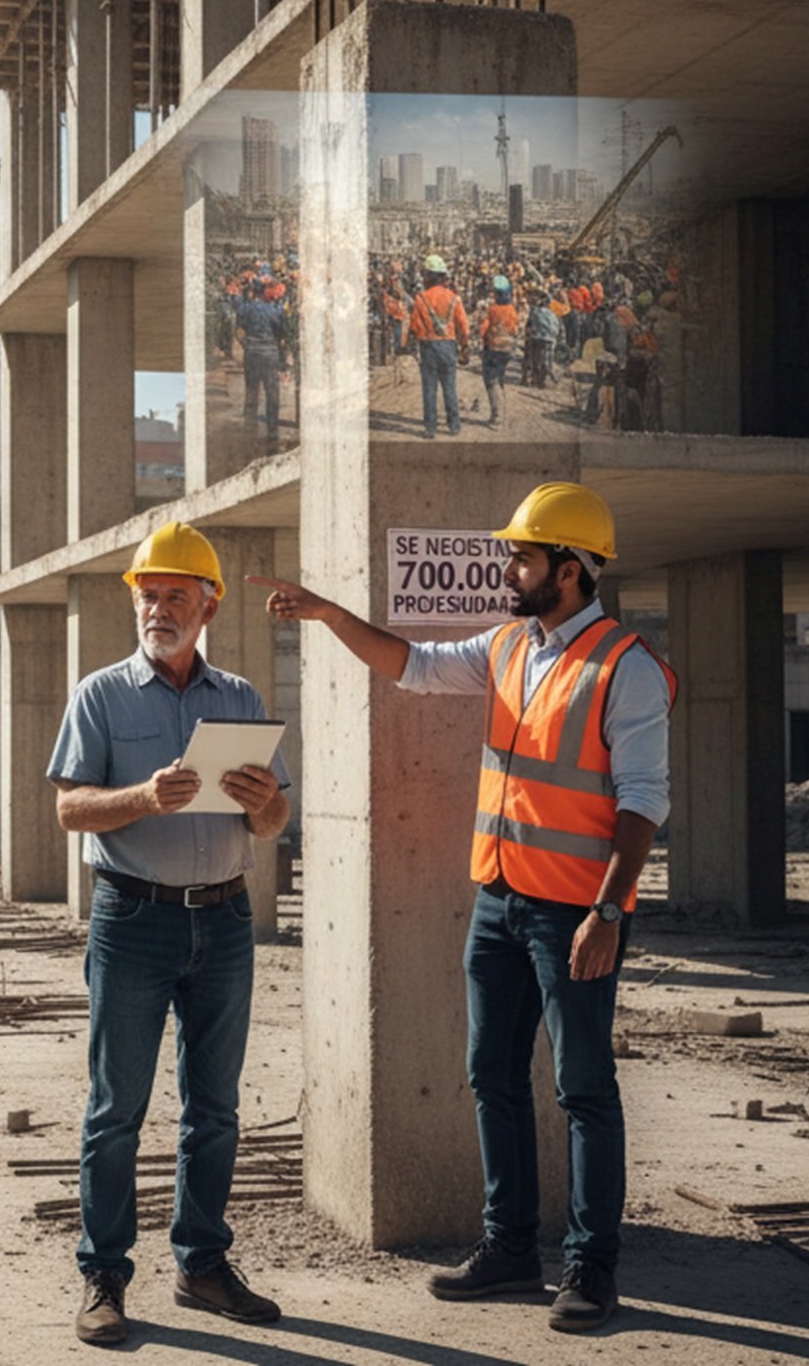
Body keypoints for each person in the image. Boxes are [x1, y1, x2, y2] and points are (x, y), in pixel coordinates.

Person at [247, 483, 675, 1335]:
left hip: (574, 915)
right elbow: (415, 666)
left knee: (584, 1087)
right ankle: (510, 1247)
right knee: (492, 1075)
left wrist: (609, 912)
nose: (508, 566)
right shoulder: (513, 645)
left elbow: (643, 803)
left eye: (523, 554)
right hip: (500, 900)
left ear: (574, 567)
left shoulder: (625, 666)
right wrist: (332, 613)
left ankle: (592, 1266)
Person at [50, 521, 292, 1347]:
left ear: (209, 604)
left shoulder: (242, 699)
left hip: (224, 919)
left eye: (174, 595)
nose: (157, 607)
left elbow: (275, 819)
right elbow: (68, 807)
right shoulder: (100, 695)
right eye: (148, 594)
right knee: (116, 1107)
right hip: (131, 918)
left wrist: (264, 802)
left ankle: (202, 1264)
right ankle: (104, 1274)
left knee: (214, 1109)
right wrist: (144, 797)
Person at [403, 253, 470, 438]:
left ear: (428, 276)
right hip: (448, 345)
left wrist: (417, 338)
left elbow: (415, 325)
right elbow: (463, 326)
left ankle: (430, 428)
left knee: (429, 388)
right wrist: (464, 345)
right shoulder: (454, 298)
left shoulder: (420, 298)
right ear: (442, 276)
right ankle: (454, 425)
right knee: (450, 386)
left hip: (427, 346)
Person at [236, 282, 288, 438]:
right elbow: (282, 335)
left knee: (251, 391)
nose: (272, 293)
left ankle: (249, 429)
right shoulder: (275, 310)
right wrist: (282, 359)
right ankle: (272, 430)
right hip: (269, 355)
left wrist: (247, 345)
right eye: (270, 289)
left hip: (251, 354)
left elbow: (239, 331)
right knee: (272, 393)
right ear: (264, 292)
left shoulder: (245, 308)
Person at [476, 275, 519, 425]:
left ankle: (497, 416)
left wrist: (480, 341)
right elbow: (514, 329)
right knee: (500, 380)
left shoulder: (492, 309)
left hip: (493, 348)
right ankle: (501, 410)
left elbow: (483, 329)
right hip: (507, 349)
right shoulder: (512, 310)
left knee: (491, 381)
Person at [524, 289, 559, 389]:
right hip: (549, 339)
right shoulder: (553, 314)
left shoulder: (535, 312)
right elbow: (557, 327)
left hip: (537, 338)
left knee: (536, 360)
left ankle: (535, 381)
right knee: (545, 360)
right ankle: (542, 382)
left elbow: (529, 325)